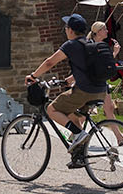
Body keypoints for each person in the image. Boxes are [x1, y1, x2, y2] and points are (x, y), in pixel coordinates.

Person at [26, 13, 104, 167]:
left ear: (71, 30)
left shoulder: (71, 45)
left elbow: (49, 62)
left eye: (66, 27)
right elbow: (87, 68)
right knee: (74, 117)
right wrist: (70, 79)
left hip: (84, 91)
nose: (65, 29)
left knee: (51, 109)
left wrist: (33, 76)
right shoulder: (89, 43)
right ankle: (79, 156)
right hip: (100, 90)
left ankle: (79, 134)